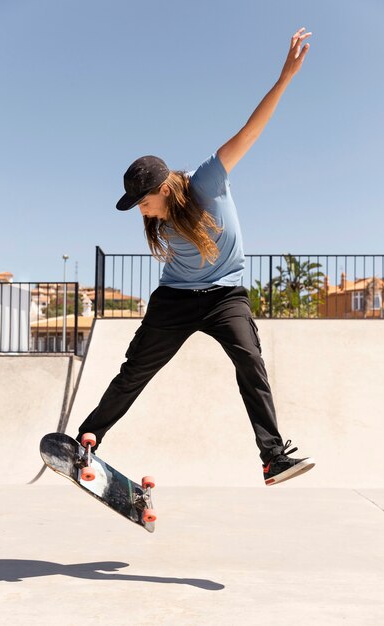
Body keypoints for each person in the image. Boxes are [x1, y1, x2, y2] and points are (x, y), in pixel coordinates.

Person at [77, 28, 315, 486]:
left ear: (164, 189)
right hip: (175, 300)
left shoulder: (209, 178)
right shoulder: (157, 218)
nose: (141, 212)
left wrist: (284, 77)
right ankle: (89, 436)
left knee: (250, 362)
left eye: (143, 202)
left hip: (227, 295)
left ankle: (273, 458)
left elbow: (252, 129)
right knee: (136, 371)